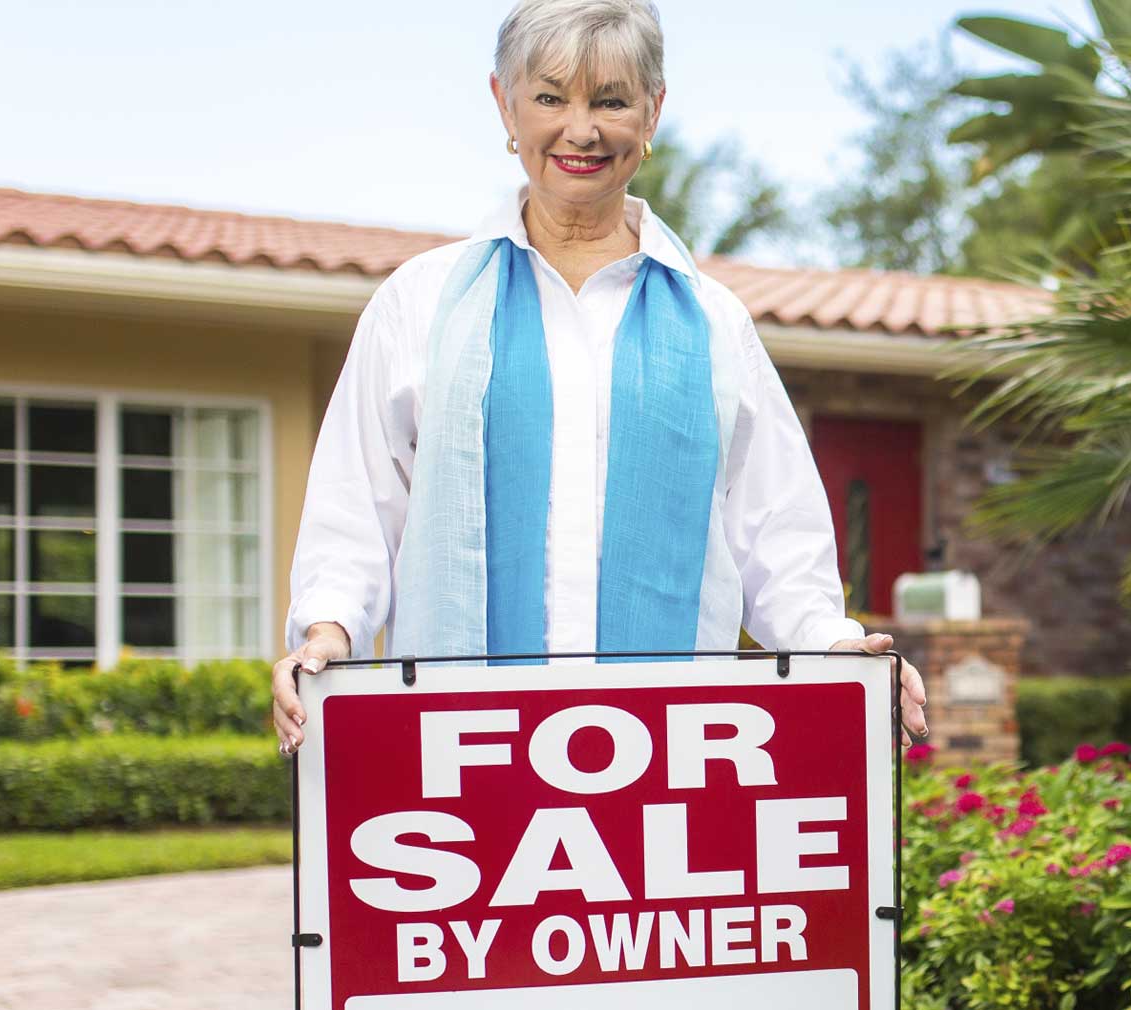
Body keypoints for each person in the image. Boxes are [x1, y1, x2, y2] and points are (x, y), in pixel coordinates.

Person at [271, 0, 927, 754]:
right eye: (550, 97)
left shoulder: (714, 324)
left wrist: (834, 645)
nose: (580, 130)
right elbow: (358, 507)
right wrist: (325, 632)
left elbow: (776, 530)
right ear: (503, 103)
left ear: (652, 113)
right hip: (455, 749)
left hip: (672, 761)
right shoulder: (417, 305)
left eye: (610, 100)